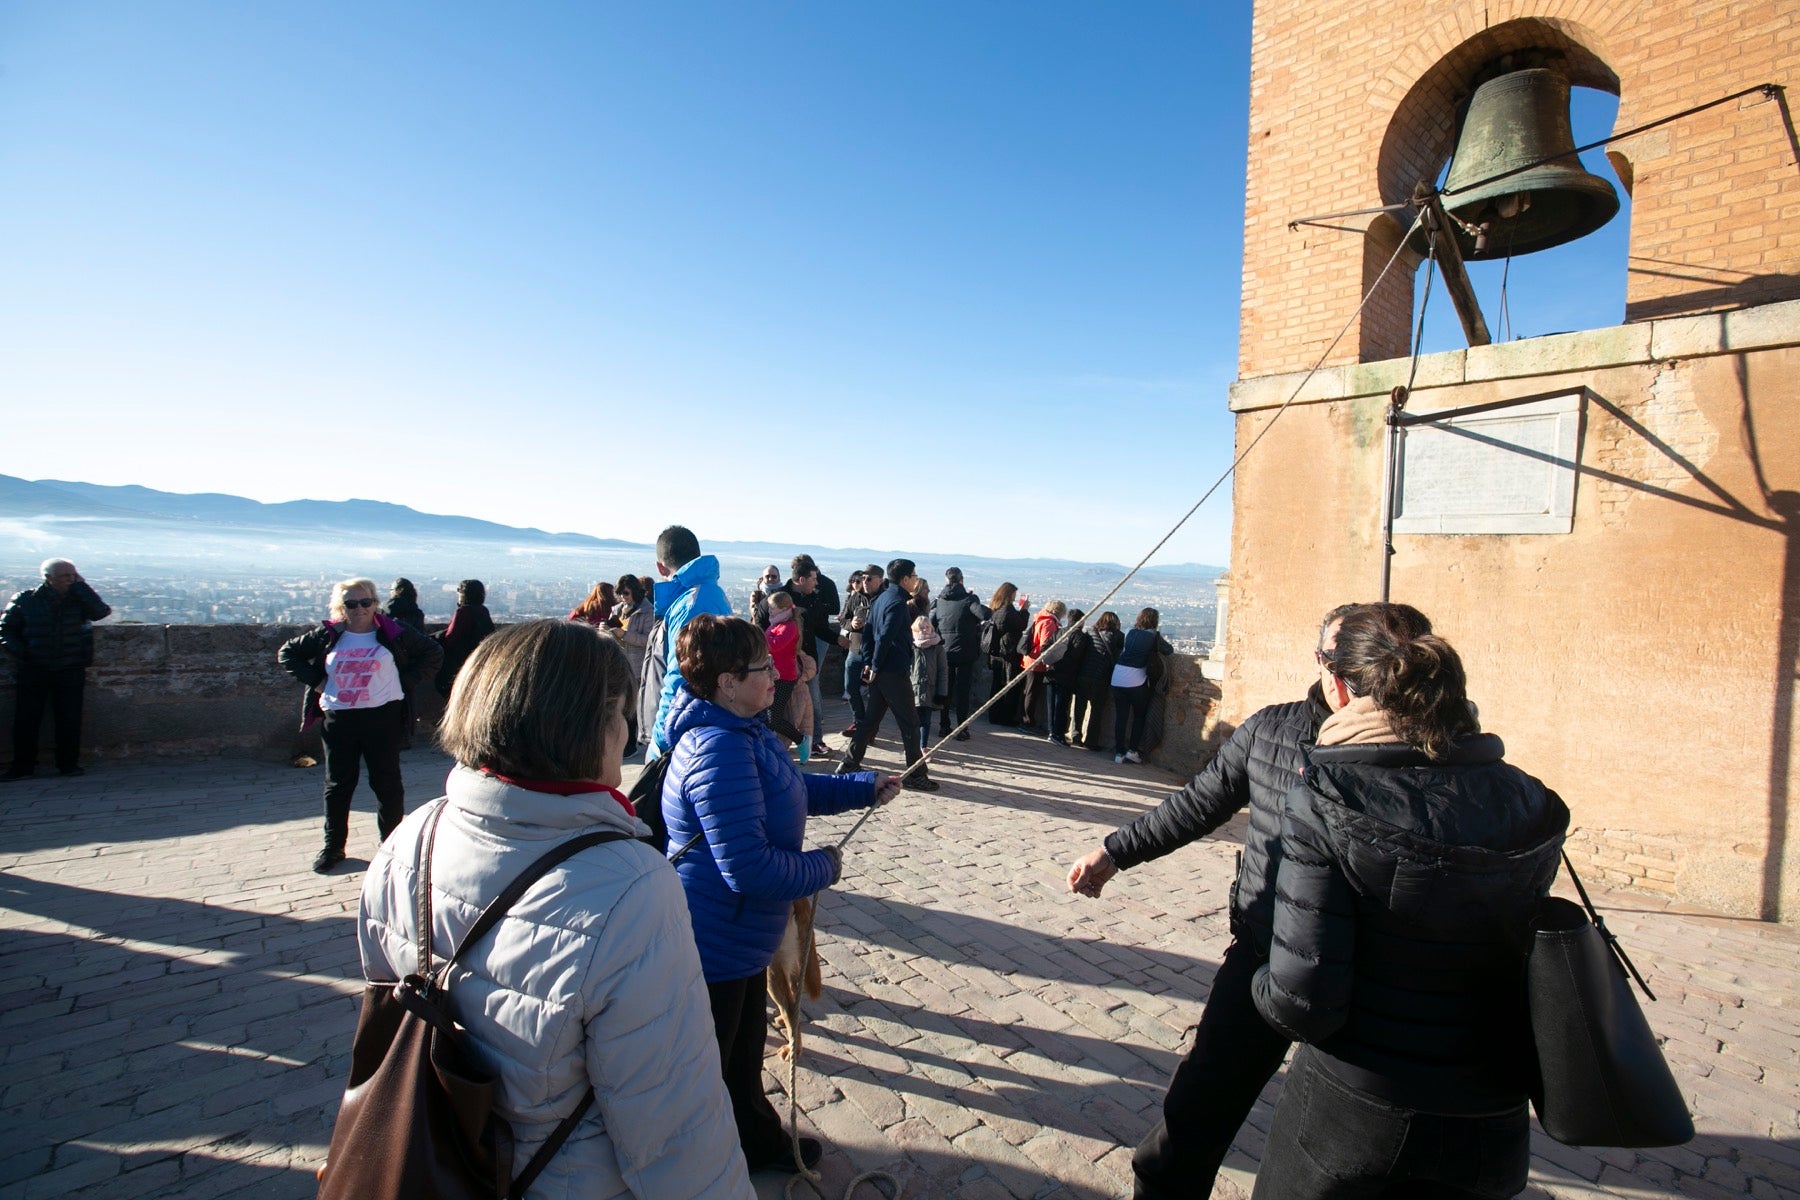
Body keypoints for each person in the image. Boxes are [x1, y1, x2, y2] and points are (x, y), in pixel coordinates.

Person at [357, 620, 755, 1198]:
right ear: (586, 726)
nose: (628, 731)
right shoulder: (632, 885)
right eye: (620, 714)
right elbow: (672, 1122)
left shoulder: (411, 836)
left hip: (429, 1153)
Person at [1066, 603, 1413, 1200]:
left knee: (1348, 1146)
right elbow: (1199, 804)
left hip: (1374, 979)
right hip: (1267, 950)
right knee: (1199, 1109)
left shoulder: (1435, 754)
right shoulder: (1274, 731)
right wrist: (1115, 852)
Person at [1249, 608, 1569, 1199]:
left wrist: (1255, 984)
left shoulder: (1328, 796)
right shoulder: (1529, 797)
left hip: (1358, 1106)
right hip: (1491, 1110)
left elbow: (1303, 1002)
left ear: (1340, 687)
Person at [660, 614, 901, 1171]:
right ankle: (704, 1164)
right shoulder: (717, 749)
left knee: (740, 1060)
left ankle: (751, 1143)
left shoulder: (745, 731)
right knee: (716, 1064)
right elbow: (747, 869)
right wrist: (823, 867)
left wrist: (864, 787)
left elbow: (792, 788)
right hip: (719, 939)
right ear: (725, 682)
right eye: (761, 667)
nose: (775, 674)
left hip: (742, 936)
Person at [279, 577, 442, 873]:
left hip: (382, 717)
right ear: (341, 607)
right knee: (338, 784)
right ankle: (333, 847)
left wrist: (403, 683)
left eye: (364, 602)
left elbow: (433, 653)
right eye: (350, 604)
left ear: (375, 603)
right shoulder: (328, 635)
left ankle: (391, 845)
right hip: (339, 718)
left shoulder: (393, 633)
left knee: (387, 784)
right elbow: (287, 654)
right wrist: (317, 682)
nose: (358, 609)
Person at [834, 561, 940, 792]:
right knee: (910, 724)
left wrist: (870, 663)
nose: (915, 579)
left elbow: (870, 633)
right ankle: (916, 775)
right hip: (891, 671)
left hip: (881, 670)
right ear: (905, 579)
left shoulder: (881, 599)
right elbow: (884, 637)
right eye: (913, 575)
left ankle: (849, 764)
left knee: (870, 720)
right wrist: (874, 664)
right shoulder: (897, 603)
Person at [2, 558, 111, 781]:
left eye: (73, 576)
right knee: (27, 719)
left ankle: (68, 764)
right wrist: (24, 654)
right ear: (48, 578)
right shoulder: (25, 600)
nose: (70, 580)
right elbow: (5, 630)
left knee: (69, 718)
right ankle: (23, 766)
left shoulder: (78, 599)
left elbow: (100, 612)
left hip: (70, 667)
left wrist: (82, 586)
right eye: (64, 576)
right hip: (35, 668)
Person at [641, 526, 734, 758]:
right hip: (697, 727)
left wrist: (660, 740)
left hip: (683, 733)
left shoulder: (691, 603)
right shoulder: (708, 594)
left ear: (660, 567)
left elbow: (681, 677)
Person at [785, 555, 838, 758]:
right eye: (813, 578)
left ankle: (813, 740)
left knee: (811, 696)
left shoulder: (820, 590)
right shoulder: (782, 597)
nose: (816, 583)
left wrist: (836, 639)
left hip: (810, 651)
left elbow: (822, 622)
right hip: (788, 660)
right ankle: (801, 741)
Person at [930, 567, 987, 741]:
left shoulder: (939, 601)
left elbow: (931, 621)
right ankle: (961, 728)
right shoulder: (969, 599)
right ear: (961, 580)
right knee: (963, 692)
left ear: (947, 581)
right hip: (965, 653)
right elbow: (984, 614)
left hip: (944, 652)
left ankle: (944, 726)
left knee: (945, 689)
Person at [1111, 607, 1174, 764]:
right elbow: (1169, 650)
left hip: (1117, 676)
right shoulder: (1153, 636)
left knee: (1121, 717)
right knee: (1139, 716)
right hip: (1136, 678)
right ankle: (1132, 750)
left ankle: (1119, 752)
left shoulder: (1129, 631)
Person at [608, 574, 654, 752]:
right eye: (620, 593)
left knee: (631, 705)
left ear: (635, 592)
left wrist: (624, 635)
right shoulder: (618, 609)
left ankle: (630, 743)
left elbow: (647, 639)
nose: (623, 597)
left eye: (626, 593)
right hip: (617, 662)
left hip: (636, 665)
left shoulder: (646, 611)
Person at [435, 579, 496, 698]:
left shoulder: (463, 612)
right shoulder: (483, 611)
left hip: (461, 663)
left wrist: (438, 638)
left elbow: (451, 639)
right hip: (479, 660)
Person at [761, 592, 807, 750]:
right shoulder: (777, 624)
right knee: (766, 714)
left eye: (772, 608)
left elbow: (775, 645)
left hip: (784, 677)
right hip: (774, 674)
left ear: (783, 609)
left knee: (774, 718)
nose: (770, 612)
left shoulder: (790, 626)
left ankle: (801, 739)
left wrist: (759, 637)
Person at [1071, 611, 1121, 751]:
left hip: (1084, 674)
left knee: (1079, 707)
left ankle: (1076, 735)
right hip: (1101, 678)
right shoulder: (1118, 637)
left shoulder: (1090, 633)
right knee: (1096, 710)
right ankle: (1091, 741)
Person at [984, 582, 1028, 727]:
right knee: (1009, 686)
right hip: (1007, 653)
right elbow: (1020, 625)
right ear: (1009, 595)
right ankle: (1006, 717)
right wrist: (1024, 611)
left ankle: (994, 715)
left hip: (997, 653)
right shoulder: (1007, 611)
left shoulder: (996, 609)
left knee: (997, 685)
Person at [1019, 600, 1066, 733]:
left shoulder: (1041, 618)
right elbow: (1046, 644)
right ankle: (1027, 722)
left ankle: (1025, 719)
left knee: (1028, 691)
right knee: (1031, 692)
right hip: (1036, 661)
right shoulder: (1049, 622)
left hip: (1030, 659)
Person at [837, 568, 874, 736]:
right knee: (850, 687)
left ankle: (870, 728)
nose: (858, 584)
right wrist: (851, 624)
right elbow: (843, 619)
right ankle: (859, 721)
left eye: (860, 581)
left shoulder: (878, 600)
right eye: (854, 581)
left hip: (873, 651)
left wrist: (865, 625)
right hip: (855, 648)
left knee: (875, 692)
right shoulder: (854, 599)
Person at [1047, 608, 1086, 747]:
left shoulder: (1059, 631)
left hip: (1051, 673)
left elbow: (1045, 647)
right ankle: (1057, 734)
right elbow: (1075, 656)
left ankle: (1051, 732)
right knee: (1062, 706)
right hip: (1066, 676)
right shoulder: (1079, 636)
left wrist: (1051, 662)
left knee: (1052, 705)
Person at [910, 614, 947, 749]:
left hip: (930, 689)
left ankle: (923, 747)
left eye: (927, 627)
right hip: (913, 688)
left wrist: (942, 692)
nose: (924, 630)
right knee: (913, 720)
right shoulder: (911, 646)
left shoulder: (938, 647)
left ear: (931, 628)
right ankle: (913, 747)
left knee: (926, 720)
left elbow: (943, 671)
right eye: (921, 628)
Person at [749, 564, 782, 629]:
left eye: (774, 576)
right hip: (760, 630)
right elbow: (754, 615)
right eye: (767, 576)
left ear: (778, 578)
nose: (770, 579)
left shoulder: (784, 594)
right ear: (763, 578)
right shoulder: (757, 595)